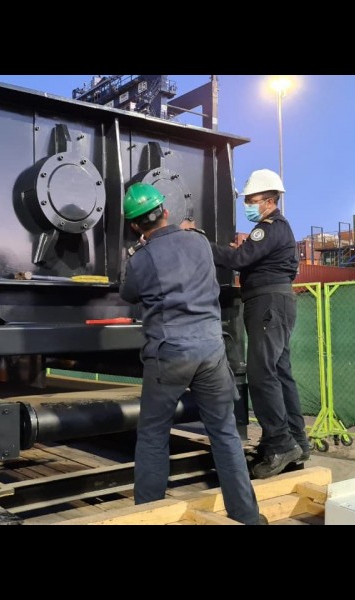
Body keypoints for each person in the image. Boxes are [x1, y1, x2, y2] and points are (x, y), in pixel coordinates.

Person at [119, 182, 263, 524]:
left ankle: (150, 517)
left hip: (169, 353)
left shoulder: (141, 259)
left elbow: (128, 294)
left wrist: (137, 253)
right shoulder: (198, 241)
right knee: (224, 433)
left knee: (153, 435)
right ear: (166, 211)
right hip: (212, 349)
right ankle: (247, 516)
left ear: (135, 226)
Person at [184, 169, 309, 479]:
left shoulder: (269, 228)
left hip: (267, 304)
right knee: (280, 373)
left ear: (269, 201)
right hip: (277, 304)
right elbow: (250, 257)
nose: (248, 205)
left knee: (262, 374)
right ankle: (296, 443)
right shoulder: (278, 229)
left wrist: (198, 239)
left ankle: (280, 445)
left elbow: (238, 260)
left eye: (252, 200)